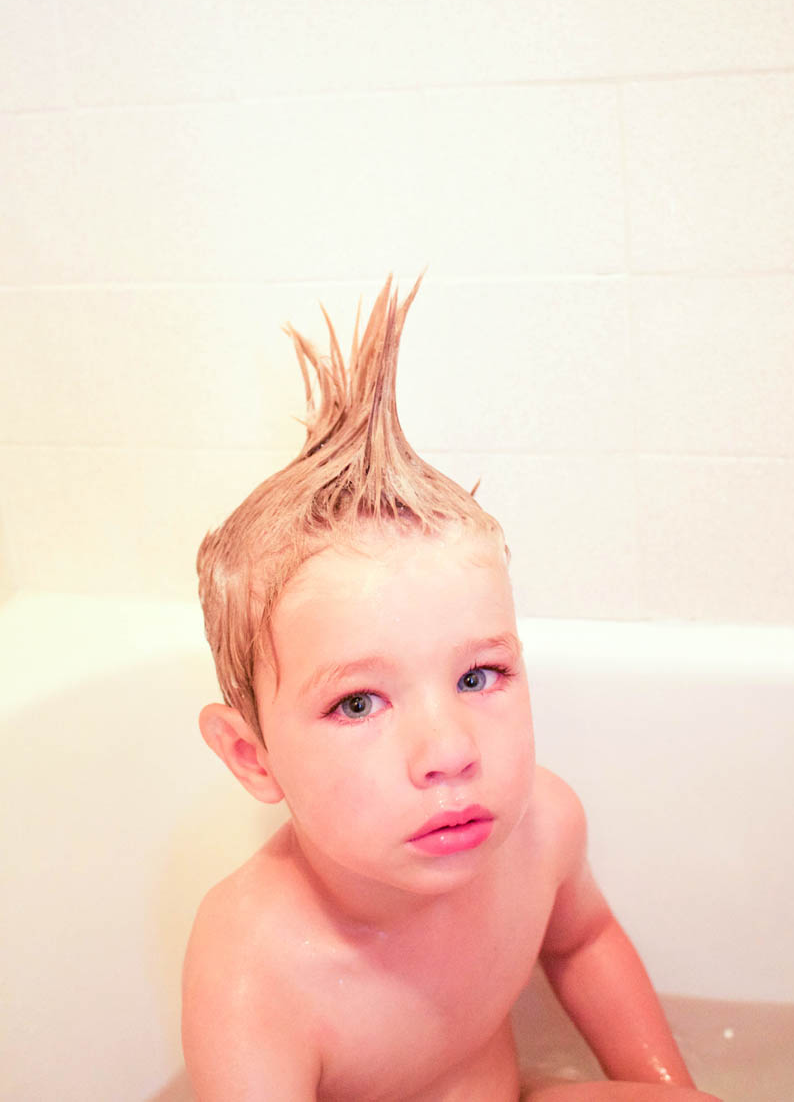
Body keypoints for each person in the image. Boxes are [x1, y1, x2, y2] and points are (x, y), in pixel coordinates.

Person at [182, 277, 721, 1101]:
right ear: (253, 757)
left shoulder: (541, 826)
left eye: (479, 675)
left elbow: (584, 944)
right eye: (358, 702)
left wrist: (670, 1088)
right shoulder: (255, 963)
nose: (449, 751)